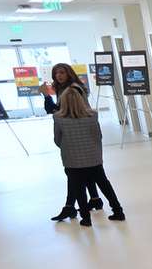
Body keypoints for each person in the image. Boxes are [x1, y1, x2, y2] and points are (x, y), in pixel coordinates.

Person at [52, 87, 126, 227]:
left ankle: (86, 218)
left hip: (72, 160)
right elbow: (98, 135)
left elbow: (57, 140)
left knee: (79, 188)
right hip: (93, 158)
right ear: (81, 100)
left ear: (63, 102)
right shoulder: (92, 116)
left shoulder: (58, 119)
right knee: (104, 185)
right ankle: (118, 211)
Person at [40, 63, 102, 218]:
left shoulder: (72, 89)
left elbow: (56, 110)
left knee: (76, 174)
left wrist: (46, 96)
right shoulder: (64, 89)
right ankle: (94, 199)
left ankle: (70, 206)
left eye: (62, 72)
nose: (59, 76)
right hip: (77, 132)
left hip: (78, 132)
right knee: (84, 171)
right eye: (56, 73)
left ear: (69, 73)